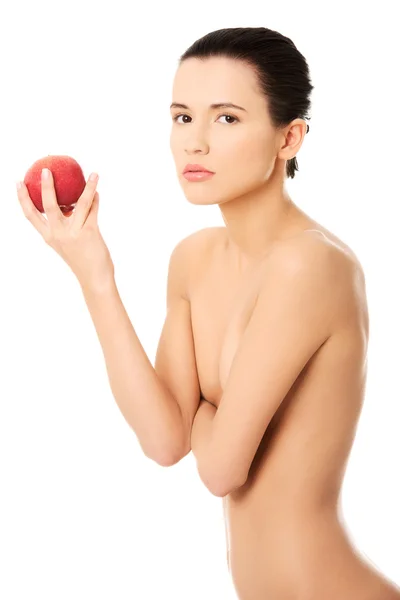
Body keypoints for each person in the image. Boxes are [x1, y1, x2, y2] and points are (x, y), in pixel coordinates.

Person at [16, 26, 400, 600]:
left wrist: (199, 411)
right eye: (181, 116)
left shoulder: (311, 266)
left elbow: (221, 469)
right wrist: (94, 274)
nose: (194, 142)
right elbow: (165, 439)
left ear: (289, 138)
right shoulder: (193, 259)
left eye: (226, 118)